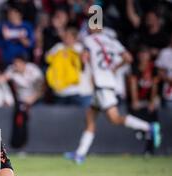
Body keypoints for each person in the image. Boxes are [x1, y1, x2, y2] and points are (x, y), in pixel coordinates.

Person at [65, 26, 162, 164]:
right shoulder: (112, 41)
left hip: (101, 85)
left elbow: (84, 59)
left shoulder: (88, 40)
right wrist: (115, 68)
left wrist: (81, 63)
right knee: (90, 117)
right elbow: (128, 58)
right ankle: (80, 154)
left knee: (115, 119)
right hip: (108, 82)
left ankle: (148, 127)